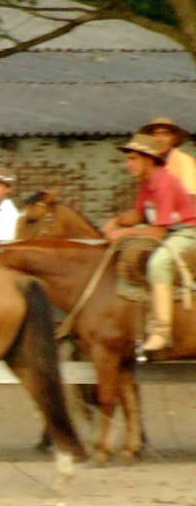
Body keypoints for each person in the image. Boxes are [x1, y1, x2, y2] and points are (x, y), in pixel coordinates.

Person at [102, 135, 196, 355]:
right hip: (169, 232)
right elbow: (139, 213)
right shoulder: (147, 183)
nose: (128, 164)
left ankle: (161, 331)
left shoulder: (164, 183)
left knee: (158, 264)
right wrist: (116, 221)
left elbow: (158, 231)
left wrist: (123, 233)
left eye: (133, 158)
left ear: (149, 160)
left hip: (187, 232)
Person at [137, 117, 196, 197]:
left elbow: (191, 199)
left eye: (165, 134)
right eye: (155, 134)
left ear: (174, 138)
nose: (159, 139)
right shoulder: (149, 163)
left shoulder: (185, 161)